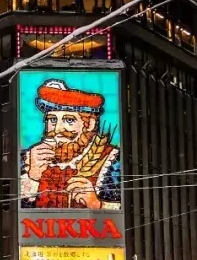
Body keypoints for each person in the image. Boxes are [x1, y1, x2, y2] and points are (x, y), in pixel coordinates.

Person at [19, 80, 121, 209]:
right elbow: (7, 207)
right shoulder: (25, 159)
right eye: (52, 119)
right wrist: (32, 177)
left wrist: (98, 204)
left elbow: (133, 207)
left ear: (90, 124)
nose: (57, 129)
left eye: (69, 120)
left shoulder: (114, 161)